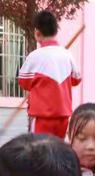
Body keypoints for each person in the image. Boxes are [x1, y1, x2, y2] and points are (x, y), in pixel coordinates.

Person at [18, 10, 81, 139]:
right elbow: (76, 79)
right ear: (56, 31)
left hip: (41, 117)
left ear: (37, 33)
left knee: (39, 152)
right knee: (57, 151)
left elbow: (23, 82)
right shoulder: (67, 55)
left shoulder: (34, 57)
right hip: (63, 116)